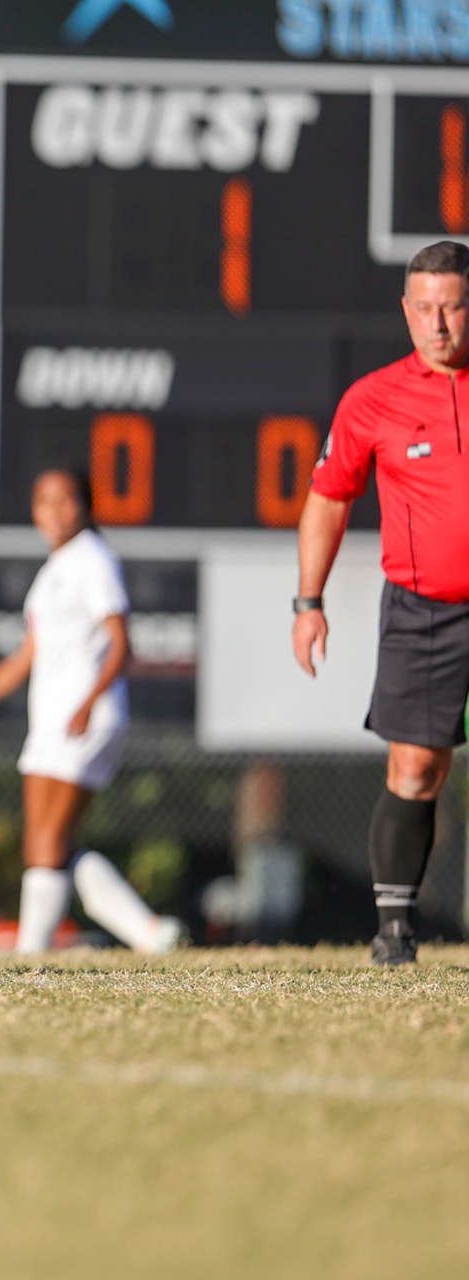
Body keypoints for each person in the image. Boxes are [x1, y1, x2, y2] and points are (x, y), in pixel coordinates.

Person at [293, 240, 469, 967]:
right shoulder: (372, 399)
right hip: (423, 609)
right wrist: (309, 600)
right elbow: (328, 499)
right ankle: (396, 930)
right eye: (424, 308)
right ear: (405, 311)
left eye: (453, 307)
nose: (439, 324)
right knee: (415, 767)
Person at [0, 469, 180, 956]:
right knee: (48, 845)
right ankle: (150, 934)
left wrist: (89, 701)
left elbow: (121, 642)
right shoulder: (54, 569)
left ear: (85, 505)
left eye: (66, 499)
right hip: (51, 722)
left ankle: (32, 953)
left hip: (84, 718)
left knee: (47, 842)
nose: (55, 510)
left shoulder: (94, 559)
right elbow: (27, 656)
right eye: (44, 500)